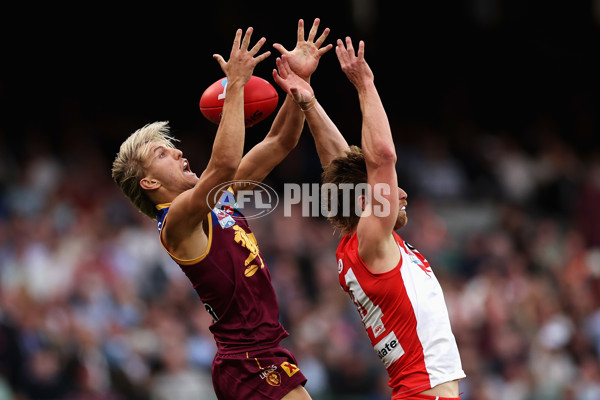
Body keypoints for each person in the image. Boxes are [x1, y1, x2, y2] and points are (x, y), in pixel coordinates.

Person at [112, 19, 331, 400]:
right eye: (161, 154)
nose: (178, 152)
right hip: (249, 360)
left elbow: (281, 141)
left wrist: (299, 84)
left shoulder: (218, 200)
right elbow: (224, 165)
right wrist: (235, 86)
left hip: (258, 355)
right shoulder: (175, 222)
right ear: (149, 184)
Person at [273, 37, 466, 399]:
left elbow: (339, 166)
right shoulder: (372, 242)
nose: (401, 194)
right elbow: (383, 157)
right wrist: (365, 84)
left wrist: (308, 100)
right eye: (392, 191)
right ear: (367, 201)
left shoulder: (359, 245)